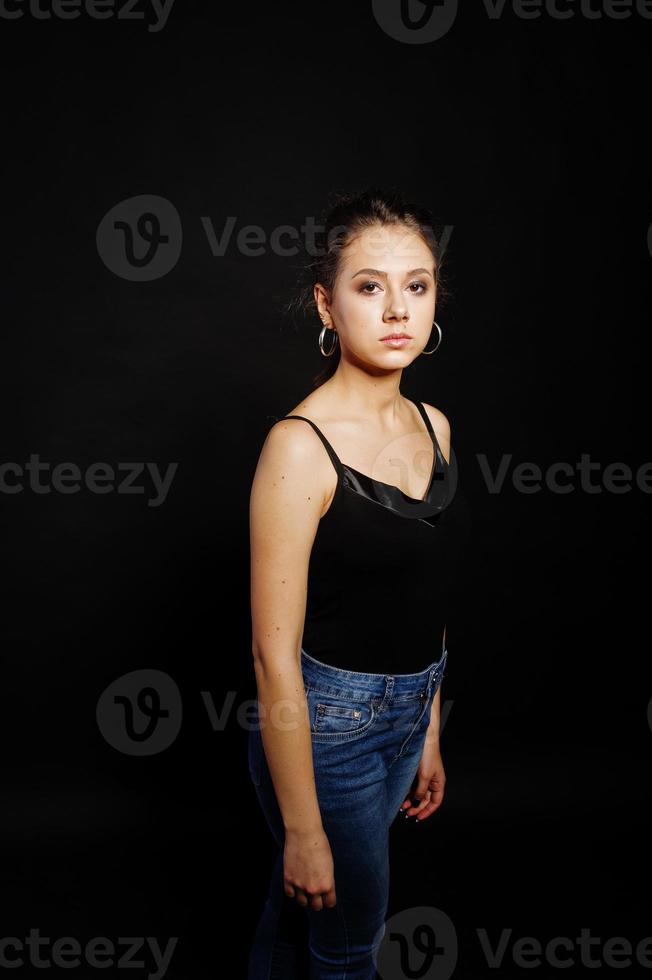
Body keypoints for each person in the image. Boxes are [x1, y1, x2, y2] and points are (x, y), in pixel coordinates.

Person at [247, 187, 471, 979]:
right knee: (348, 947)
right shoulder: (299, 448)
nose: (397, 309)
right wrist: (305, 828)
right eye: (369, 286)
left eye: (416, 285)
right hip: (326, 730)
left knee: (294, 920)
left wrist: (431, 729)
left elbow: (426, 598)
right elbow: (274, 661)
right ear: (326, 303)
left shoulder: (435, 426)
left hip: (410, 714)